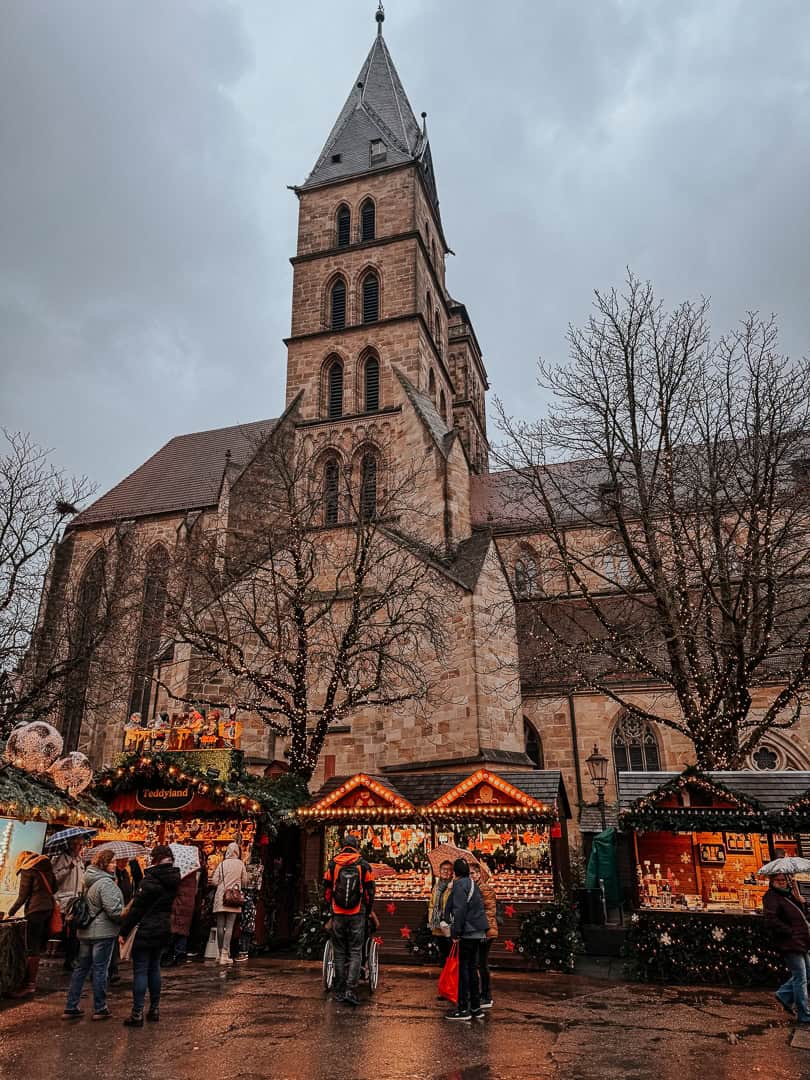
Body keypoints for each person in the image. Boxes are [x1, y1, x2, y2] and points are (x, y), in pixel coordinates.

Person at [118, 845, 180, 1027]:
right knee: (155, 968)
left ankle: (137, 1013)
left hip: (145, 929)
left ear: (155, 859)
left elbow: (137, 910)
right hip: (162, 928)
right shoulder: (175, 879)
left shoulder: (151, 880)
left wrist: (124, 931)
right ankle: (154, 1009)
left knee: (141, 970)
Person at [62, 848, 124, 1021]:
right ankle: (100, 1007)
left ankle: (71, 1005)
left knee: (81, 968)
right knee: (100, 969)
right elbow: (114, 911)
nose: (115, 865)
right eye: (112, 862)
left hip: (86, 930)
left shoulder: (87, 879)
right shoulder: (105, 883)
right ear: (104, 864)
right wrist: (126, 912)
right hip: (103, 932)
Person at [323, 835, 375, 1006]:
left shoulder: (333, 864)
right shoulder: (363, 864)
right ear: (356, 847)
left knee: (339, 951)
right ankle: (350, 990)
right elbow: (370, 891)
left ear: (342, 846)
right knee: (355, 951)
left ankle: (339, 988)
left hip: (338, 912)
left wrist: (330, 906)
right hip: (357, 912)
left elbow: (327, 889)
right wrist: (368, 909)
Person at [3, 850, 56, 997]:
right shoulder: (47, 869)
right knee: (38, 947)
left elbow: (22, 897)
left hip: (35, 911)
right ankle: (31, 982)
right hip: (48, 910)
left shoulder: (28, 871)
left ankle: (29, 984)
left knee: (32, 948)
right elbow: (55, 888)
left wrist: (10, 913)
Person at [444, 857, 489, 1021]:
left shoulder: (459, 885)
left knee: (464, 969)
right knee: (472, 968)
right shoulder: (472, 884)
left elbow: (459, 910)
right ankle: (476, 1008)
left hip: (467, 932)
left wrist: (455, 933)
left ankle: (463, 1008)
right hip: (478, 931)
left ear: (455, 872)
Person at [763, 871, 810, 1025]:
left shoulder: (788, 895)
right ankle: (804, 1013)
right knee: (800, 978)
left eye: (784, 880)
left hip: (801, 941)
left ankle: (783, 995)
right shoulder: (771, 896)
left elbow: (801, 914)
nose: (782, 882)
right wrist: (790, 931)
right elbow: (771, 919)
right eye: (779, 880)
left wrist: (799, 900)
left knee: (807, 975)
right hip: (790, 942)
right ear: (772, 881)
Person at [212, 842, 248, 965]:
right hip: (234, 897)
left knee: (220, 927)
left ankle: (219, 952)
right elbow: (245, 881)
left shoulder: (222, 864)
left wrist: (223, 884)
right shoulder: (240, 864)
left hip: (220, 896)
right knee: (230, 927)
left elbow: (214, 881)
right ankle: (225, 955)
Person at [52, 837, 84, 971]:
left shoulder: (79, 860)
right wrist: (68, 869)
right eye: (77, 844)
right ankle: (69, 959)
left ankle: (72, 958)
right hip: (65, 900)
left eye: (81, 844)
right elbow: (55, 878)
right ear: (71, 844)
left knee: (75, 932)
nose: (79, 847)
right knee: (71, 932)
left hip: (77, 899)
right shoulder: (61, 858)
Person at [108, 859, 142, 982]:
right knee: (112, 941)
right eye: (120, 861)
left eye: (125, 861)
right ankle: (112, 969)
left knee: (114, 941)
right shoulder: (113, 875)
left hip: (124, 909)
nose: (123, 863)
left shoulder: (125, 874)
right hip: (116, 910)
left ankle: (112, 968)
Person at [470, 863, 497, 1009]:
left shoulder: (485, 889)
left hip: (485, 931)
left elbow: (489, 912)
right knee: (477, 962)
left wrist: (482, 930)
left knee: (481, 963)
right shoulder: (472, 889)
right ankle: (481, 994)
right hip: (477, 931)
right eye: (469, 874)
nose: (472, 876)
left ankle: (486, 995)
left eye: (474, 873)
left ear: (479, 874)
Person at [170, 866, 200, 964]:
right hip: (189, 905)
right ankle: (181, 954)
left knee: (174, 928)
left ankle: (172, 953)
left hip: (178, 904)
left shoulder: (179, 877)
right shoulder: (193, 876)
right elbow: (195, 891)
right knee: (184, 930)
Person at [428, 859, 454, 964]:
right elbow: (432, 905)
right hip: (437, 924)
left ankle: (451, 975)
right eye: (443, 869)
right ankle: (445, 974)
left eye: (449, 870)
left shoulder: (454, 886)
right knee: (442, 952)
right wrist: (431, 919)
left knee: (450, 951)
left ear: (453, 872)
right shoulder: (436, 886)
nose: (446, 872)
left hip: (448, 924)